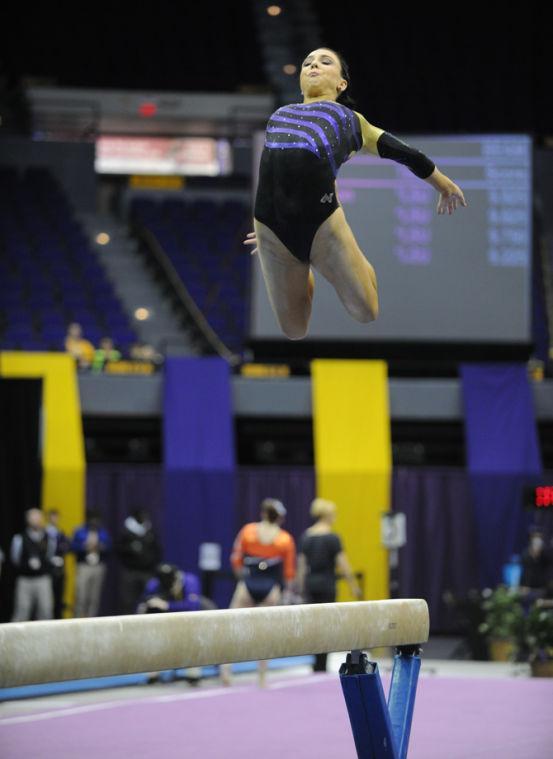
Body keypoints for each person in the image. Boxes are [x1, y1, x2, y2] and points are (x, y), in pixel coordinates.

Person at [244, 47, 467, 339]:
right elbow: (277, 175)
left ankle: (353, 263)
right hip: (272, 230)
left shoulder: (351, 120)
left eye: (325, 62)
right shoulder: (279, 116)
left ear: (341, 84)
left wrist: (443, 183)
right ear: (299, 80)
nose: (313, 66)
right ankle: (303, 271)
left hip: (324, 228)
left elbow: (407, 154)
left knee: (366, 312)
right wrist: (272, 226)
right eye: (307, 63)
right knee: (294, 331)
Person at [222, 498, 296, 686]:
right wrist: (287, 593)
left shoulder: (248, 531)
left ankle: (226, 671)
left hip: (248, 583)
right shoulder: (284, 539)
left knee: (231, 627)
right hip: (270, 587)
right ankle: (262, 677)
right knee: (265, 633)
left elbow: (236, 558)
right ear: (279, 518)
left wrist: (242, 578)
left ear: (263, 513)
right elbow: (289, 572)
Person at [297, 498, 361, 672]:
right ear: (327, 516)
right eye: (333, 515)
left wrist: (300, 588)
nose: (335, 518)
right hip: (326, 585)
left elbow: (301, 567)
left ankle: (316, 663)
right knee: (326, 625)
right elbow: (344, 565)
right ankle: (321, 664)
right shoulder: (332, 538)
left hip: (311, 585)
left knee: (314, 625)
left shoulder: (306, 536)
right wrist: (354, 586)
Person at [137, 563, 214, 684]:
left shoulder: (189, 581)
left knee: (191, 634)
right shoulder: (154, 584)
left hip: (197, 615)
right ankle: (153, 673)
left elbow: (192, 606)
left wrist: (167, 605)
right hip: (170, 619)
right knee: (155, 635)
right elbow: (143, 604)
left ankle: (193, 673)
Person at [10, 508, 56, 621]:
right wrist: (27, 565)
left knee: (46, 610)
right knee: (22, 610)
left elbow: (50, 556)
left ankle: (46, 637)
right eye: (33, 517)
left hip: (43, 579)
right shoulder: (19, 538)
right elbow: (15, 559)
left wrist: (42, 565)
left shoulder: (49, 538)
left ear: (41, 519)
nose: (36, 520)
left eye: (38, 517)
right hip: (25, 580)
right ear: (28, 520)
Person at [116, 508, 161, 615]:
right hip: (130, 571)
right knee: (127, 600)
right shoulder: (126, 531)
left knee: (149, 599)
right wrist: (131, 551)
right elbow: (119, 550)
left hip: (147, 571)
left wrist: (150, 562)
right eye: (141, 516)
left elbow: (157, 550)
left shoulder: (150, 531)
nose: (144, 518)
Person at [71, 510, 112, 617]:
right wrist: (84, 546)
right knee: (81, 596)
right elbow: (72, 547)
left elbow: (109, 547)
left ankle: (91, 620)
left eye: (97, 520)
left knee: (94, 597)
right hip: (84, 566)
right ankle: (77, 620)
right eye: (92, 519)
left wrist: (100, 546)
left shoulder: (102, 532)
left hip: (98, 566)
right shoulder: (80, 531)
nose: (94, 522)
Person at [45, 508, 70, 619]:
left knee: (59, 597)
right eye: (53, 516)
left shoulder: (61, 533)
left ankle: (58, 619)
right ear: (48, 518)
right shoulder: (44, 533)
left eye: (56, 517)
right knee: (47, 598)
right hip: (47, 569)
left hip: (60, 569)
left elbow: (67, 546)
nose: (55, 519)